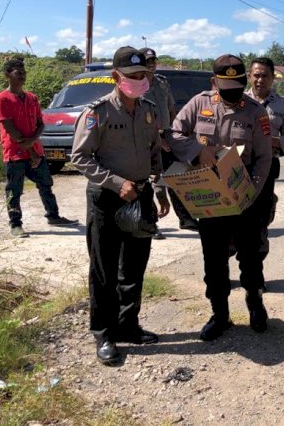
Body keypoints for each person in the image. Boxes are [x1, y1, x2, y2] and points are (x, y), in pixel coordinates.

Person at [70, 46, 168, 365]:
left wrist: (159, 188)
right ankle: (104, 333)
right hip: (108, 200)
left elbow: (155, 152)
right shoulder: (97, 112)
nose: (141, 81)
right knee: (104, 268)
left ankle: (128, 325)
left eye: (145, 76)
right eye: (134, 76)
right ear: (116, 77)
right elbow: (80, 157)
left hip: (140, 196)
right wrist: (115, 182)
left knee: (135, 266)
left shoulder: (149, 109)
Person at [169, 55, 273, 339]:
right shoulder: (199, 103)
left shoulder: (255, 112)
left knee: (251, 258)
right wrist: (196, 151)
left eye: (238, 84)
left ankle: (255, 303)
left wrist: (251, 189)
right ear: (214, 82)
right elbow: (174, 133)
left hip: (245, 196)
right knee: (213, 260)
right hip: (210, 197)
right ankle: (220, 314)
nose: (233, 90)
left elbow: (264, 157)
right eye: (227, 85)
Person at [0, 57, 78, 238]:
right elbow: (12, 131)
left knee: (46, 185)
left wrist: (35, 147)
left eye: (23, 73)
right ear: (8, 75)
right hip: (15, 153)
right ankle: (15, 225)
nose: (22, 76)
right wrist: (31, 150)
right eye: (18, 73)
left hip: (36, 153)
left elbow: (40, 124)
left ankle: (53, 216)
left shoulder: (32, 98)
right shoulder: (2, 99)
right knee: (14, 191)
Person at [245, 57, 284, 290]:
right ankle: (228, 273)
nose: (260, 80)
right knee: (229, 223)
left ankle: (255, 276)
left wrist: (276, 142)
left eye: (265, 75)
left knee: (259, 224)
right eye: (256, 75)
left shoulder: (283, 106)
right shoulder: (238, 100)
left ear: (273, 78)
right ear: (249, 76)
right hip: (238, 169)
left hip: (267, 170)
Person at [141, 47, 198, 236]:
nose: (151, 65)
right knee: (153, 181)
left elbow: (171, 109)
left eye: (153, 61)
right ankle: (151, 224)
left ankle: (186, 219)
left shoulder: (162, 82)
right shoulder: (137, 85)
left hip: (167, 134)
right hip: (147, 138)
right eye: (148, 62)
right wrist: (156, 138)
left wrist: (172, 134)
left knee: (177, 177)